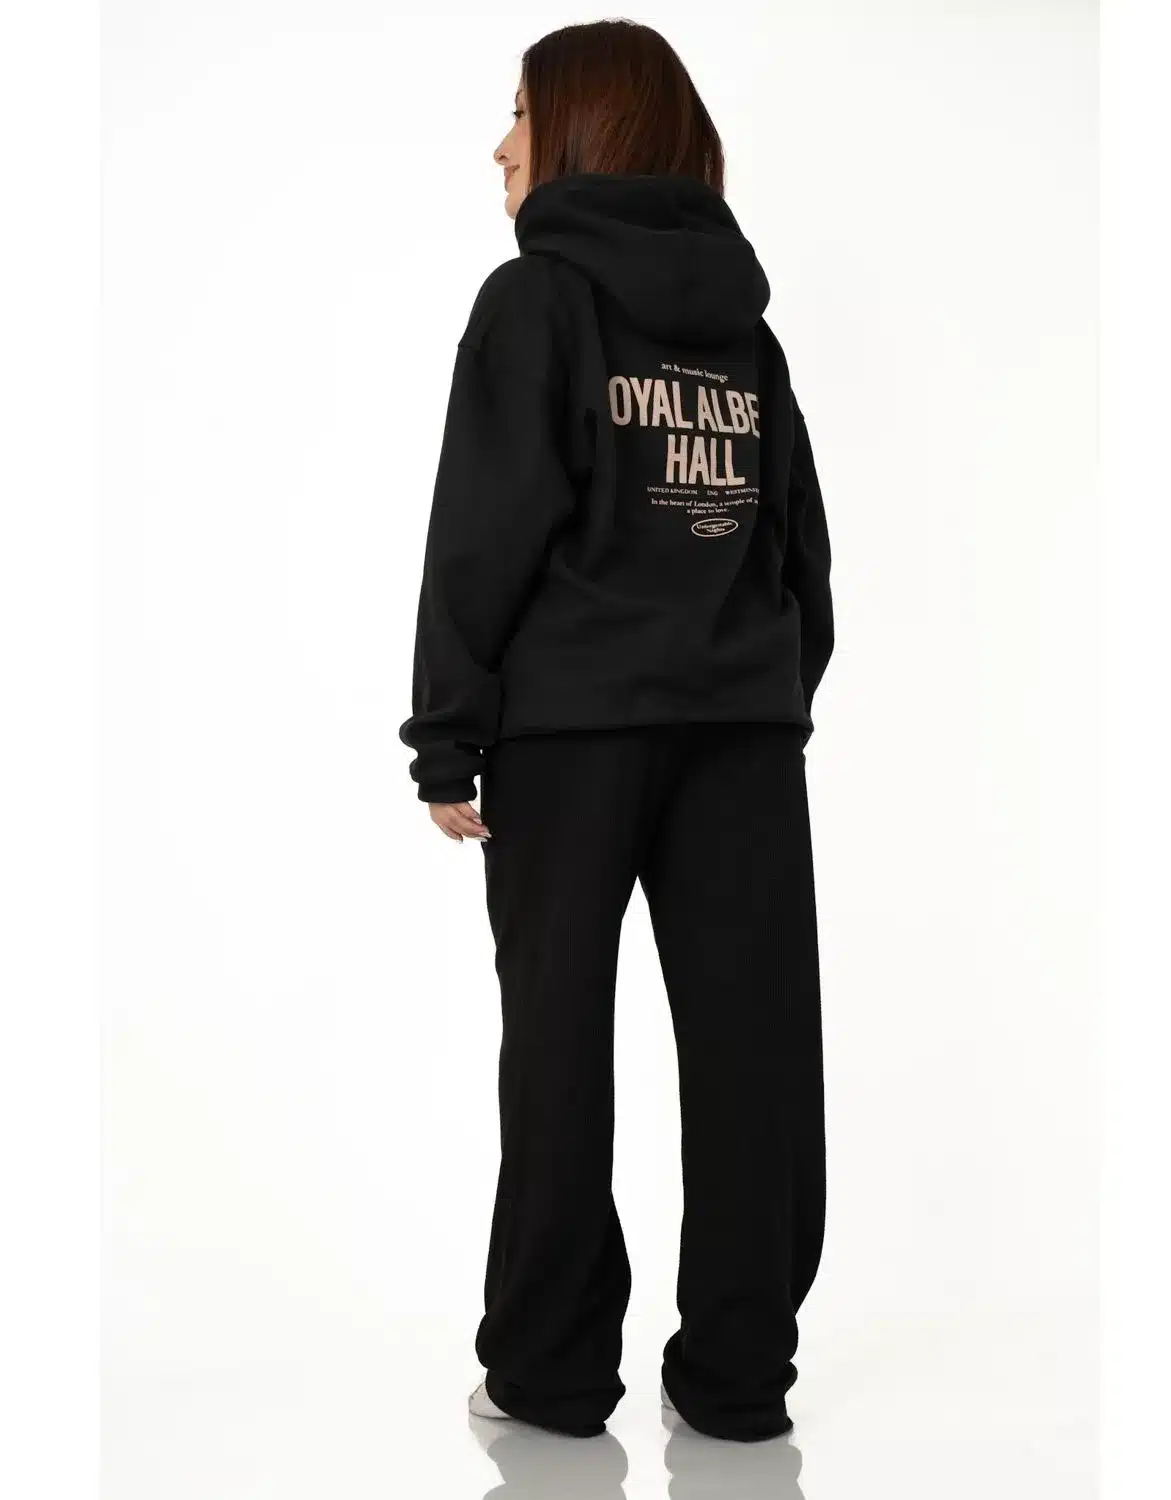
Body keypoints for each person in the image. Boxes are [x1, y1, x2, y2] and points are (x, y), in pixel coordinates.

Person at [398, 19, 834, 1445]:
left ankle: (550, 1374)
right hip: (740, 738)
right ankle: (739, 1381)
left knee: (557, 1055)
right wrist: (764, 689)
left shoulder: (534, 303)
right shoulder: (748, 335)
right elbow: (799, 551)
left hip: (570, 737)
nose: (501, 148)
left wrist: (448, 733)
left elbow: (483, 531)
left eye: (522, 116)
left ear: (585, 127)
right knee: (757, 1052)